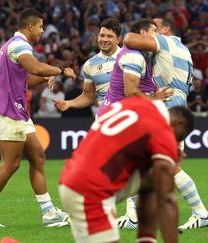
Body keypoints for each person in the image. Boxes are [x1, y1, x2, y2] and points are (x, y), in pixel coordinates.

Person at [0, 8, 76, 228]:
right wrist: (61, 70)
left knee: (37, 156)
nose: (42, 30)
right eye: (40, 26)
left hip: (16, 110)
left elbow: (25, 77)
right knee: (11, 164)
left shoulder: (10, 46)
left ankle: (49, 213)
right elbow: (32, 66)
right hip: (9, 110)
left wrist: (44, 75)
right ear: (30, 26)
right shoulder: (20, 45)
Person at [59, 96, 194, 243]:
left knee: (151, 179)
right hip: (89, 192)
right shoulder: (162, 128)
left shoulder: (134, 103)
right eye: (179, 138)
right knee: (161, 178)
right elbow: (167, 198)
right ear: (177, 124)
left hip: (76, 177)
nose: (176, 143)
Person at [123, 17, 208, 231]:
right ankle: (140, 216)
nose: (152, 32)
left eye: (155, 28)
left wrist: (141, 35)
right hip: (176, 106)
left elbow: (129, 39)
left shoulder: (165, 41)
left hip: (167, 107)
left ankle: (200, 213)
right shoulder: (182, 49)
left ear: (165, 29)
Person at [96, 19, 171, 116]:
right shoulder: (133, 56)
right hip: (113, 116)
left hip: (124, 112)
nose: (159, 36)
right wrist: (154, 98)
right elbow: (131, 92)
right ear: (143, 33)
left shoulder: (146, 54)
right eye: (154, 31)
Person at [53, 18, 122, 113]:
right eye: (102, 35)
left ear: (118, 39)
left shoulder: (130, 57)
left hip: (129, 117)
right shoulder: (90, 64)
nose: (104, 39)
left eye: (109, 36)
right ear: (97, 37)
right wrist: (69, 103)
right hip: (105, 119)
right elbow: (88, 96)